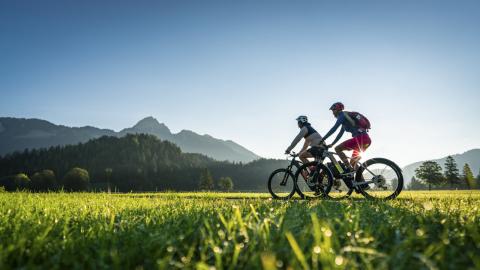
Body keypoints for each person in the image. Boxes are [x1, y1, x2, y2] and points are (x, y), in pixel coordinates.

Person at [320, 102, 371, 172]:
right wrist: (332, 144)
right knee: (353, 163)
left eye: (333, 110)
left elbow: (334, 128)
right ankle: (361, 182)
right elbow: (339, 134)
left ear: (338, 109)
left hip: (360, 139)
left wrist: (323, 139)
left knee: (338, 149)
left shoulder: (342, 115)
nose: (332, 113)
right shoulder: (346, 118)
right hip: (366, 139)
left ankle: (348, 169)